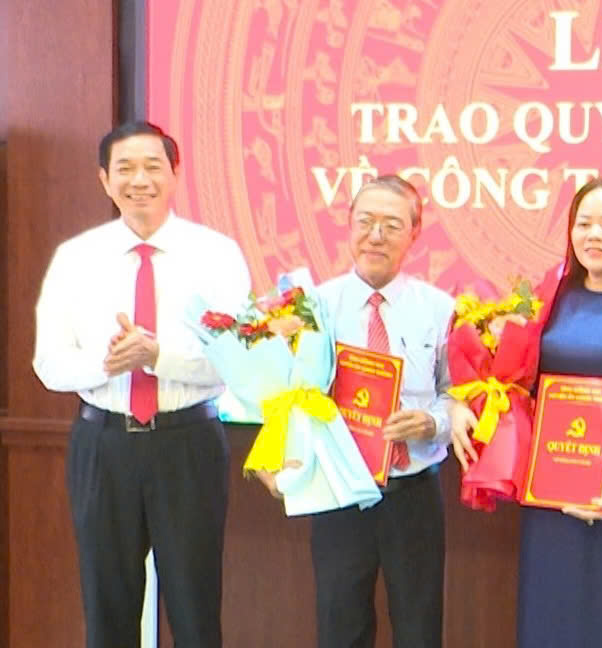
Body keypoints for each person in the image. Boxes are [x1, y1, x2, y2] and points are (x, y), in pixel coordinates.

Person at [33, 121, 251, 647]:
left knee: (195, 608)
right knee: (107, 607)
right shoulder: (76, 257)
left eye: (153, 167)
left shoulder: (217, 254)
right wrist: (108, 363)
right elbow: (49, 364)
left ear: (175, 173)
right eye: (125, 169)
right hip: (103, 444)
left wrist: (158, 357)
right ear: (104, 180)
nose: (139, 180)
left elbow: (237, 361)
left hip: (188, 443)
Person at [451, 176, 602, 648]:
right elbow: (508, 378)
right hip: (550, 489)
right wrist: (463, 401)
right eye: (584, 224)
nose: (594, 235)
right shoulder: (549, 302)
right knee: (553, 617)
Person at [275, 174, 453, 648]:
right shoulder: (313, 307)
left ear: (414, 233)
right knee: (341, 628)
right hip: (338, 491)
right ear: (349, 225)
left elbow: (456, 394)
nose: (376, 235)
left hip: (413, 490)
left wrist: (433, 422)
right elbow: (287, 393)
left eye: (392, 225)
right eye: (366, 222)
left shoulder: (441, 309)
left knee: (419, 629)